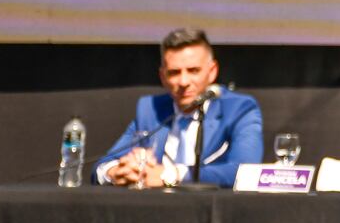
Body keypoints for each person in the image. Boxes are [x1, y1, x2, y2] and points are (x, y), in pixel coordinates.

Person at [93, 27, 263, 188]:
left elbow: (246, 171)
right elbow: (101, 166)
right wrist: (115, 172)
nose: (183, 82)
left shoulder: (239, 109)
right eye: (174, 72)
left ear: (212, 71)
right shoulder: (150, 109)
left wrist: (172, 175)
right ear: (162, 76)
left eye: (193, 71)